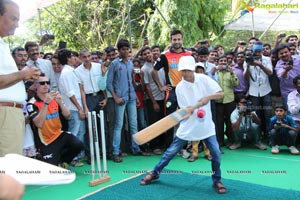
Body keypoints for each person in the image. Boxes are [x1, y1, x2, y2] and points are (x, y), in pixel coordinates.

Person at [140, 56, 226, 194]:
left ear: (193, 69)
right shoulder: (179, 87)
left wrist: (207, 97)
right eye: (182, 71)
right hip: (188, 126)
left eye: (187, 70)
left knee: (216, 153)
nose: (185, 73)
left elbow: (221, 93)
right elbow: (184, 111)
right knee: (170, 153)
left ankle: (217, 180)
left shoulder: (203, 79)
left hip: (206, 127)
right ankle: (155, 172)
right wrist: (190, 110)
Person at [0, 0, 40, 156]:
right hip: (5, 113)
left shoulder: (2, 44)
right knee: (8, 167)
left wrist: (23, 75)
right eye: (14, 18)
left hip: (10, 112)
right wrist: (23, 74)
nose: (17, 24)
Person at [106, 39, 149, 162]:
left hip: (131, 97)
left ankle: (135, 148)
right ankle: (115, 152)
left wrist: (135, 97)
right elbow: (109, 84)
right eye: (123, 49)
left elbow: (131, 81)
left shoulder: (130, 63)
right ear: (119, 50)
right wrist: (115, 97)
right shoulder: (114, 64)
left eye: (127, 49)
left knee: (133, 124)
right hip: (120, 98)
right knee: (119, 125)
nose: (125, 51)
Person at [27, 74, 83, 166]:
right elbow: (39, 124)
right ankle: (44, 158)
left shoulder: (54, 98)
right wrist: (46, 104)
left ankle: (63, 162)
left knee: (78, 144)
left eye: (47, 82)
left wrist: (61, 103)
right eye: (42, 83)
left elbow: (68, 116)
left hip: (58, 134)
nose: (46, 85)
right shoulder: (31, 103)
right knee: (51, 168)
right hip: (45, 141)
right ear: (36, 85)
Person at [152, 29, 192, 148]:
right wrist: (160, 86)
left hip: (187, 91)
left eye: (179, 39)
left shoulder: (189, 54)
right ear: (171, 40)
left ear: (182, 40)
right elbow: (153, 71)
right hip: (172, 91)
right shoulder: (165, 55)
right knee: (171, 119)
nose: (177, 41)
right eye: (174, 39)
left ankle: (185, 146)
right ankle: (169, 146)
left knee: (186, 117)